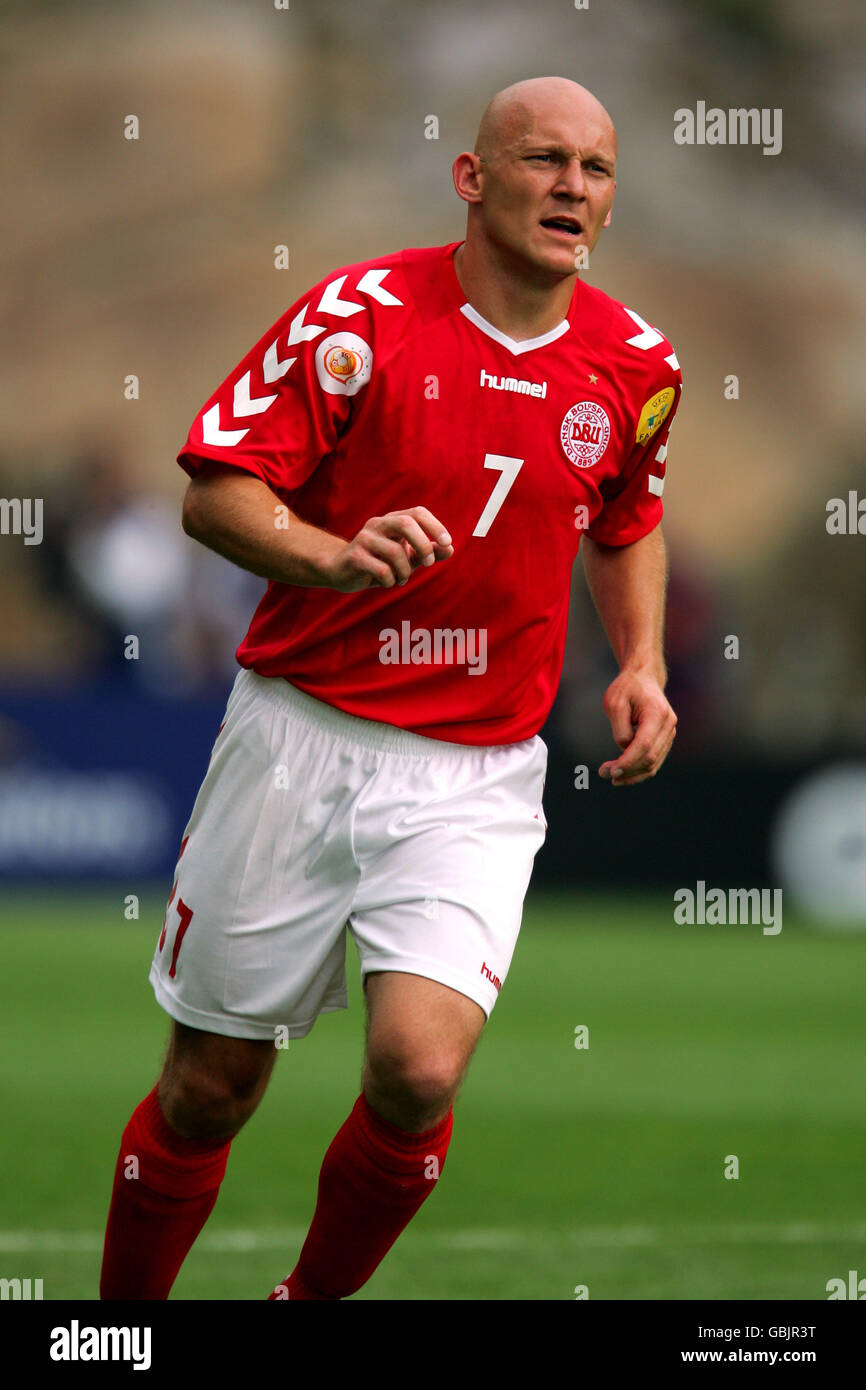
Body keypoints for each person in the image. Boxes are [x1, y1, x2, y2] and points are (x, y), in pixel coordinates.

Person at [100, 75, 681, 1301]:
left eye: (595, 167)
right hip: (300, 739)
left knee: (417, 1071)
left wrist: (640, 662)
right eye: (542, 159)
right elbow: (217, 494)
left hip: (474, 771)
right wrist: (330, 554)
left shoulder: (634, 364)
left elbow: (625, 518)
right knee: (210, 1089)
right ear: (472, 178)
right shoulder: (355, 318)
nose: (571, 186)